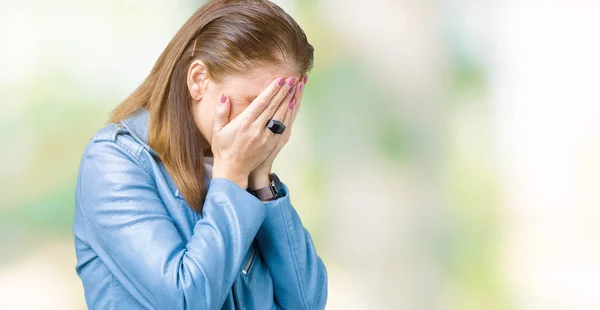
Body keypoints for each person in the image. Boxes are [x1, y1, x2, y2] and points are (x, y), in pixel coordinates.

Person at [72, 0, 328, 309]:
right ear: (198, 80)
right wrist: (233, 176)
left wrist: (261, 181)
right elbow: (186, 300)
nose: (263, 125)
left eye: (277, 109)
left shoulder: (243, 171)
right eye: (255, 104)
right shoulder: (113, 163)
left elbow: (307, 302)